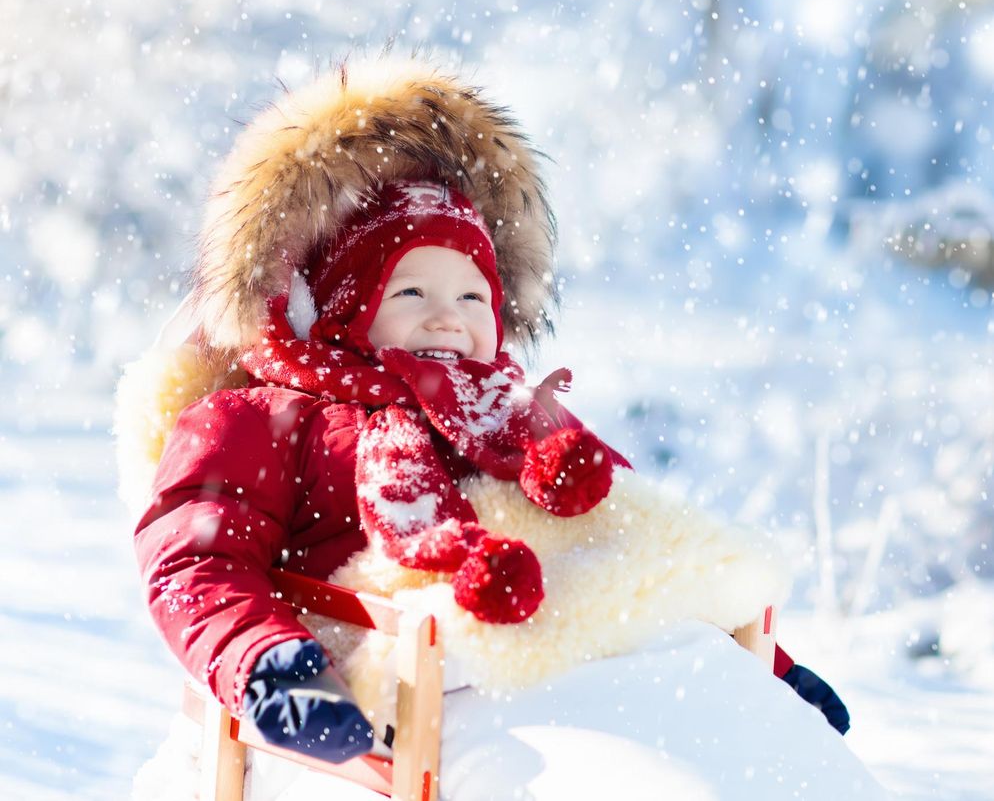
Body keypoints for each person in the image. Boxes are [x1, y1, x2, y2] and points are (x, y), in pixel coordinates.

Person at [124, 53, 854, 795]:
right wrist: (271, 666)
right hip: (457, 682)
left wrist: (768, 670)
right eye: (409, 289)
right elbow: (195, 563)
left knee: (753, 761)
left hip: (613, 653)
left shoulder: (515, 420)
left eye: (473, 298)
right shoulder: (267, 419)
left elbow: (627, 539)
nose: (448, 316)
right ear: (341, 305)